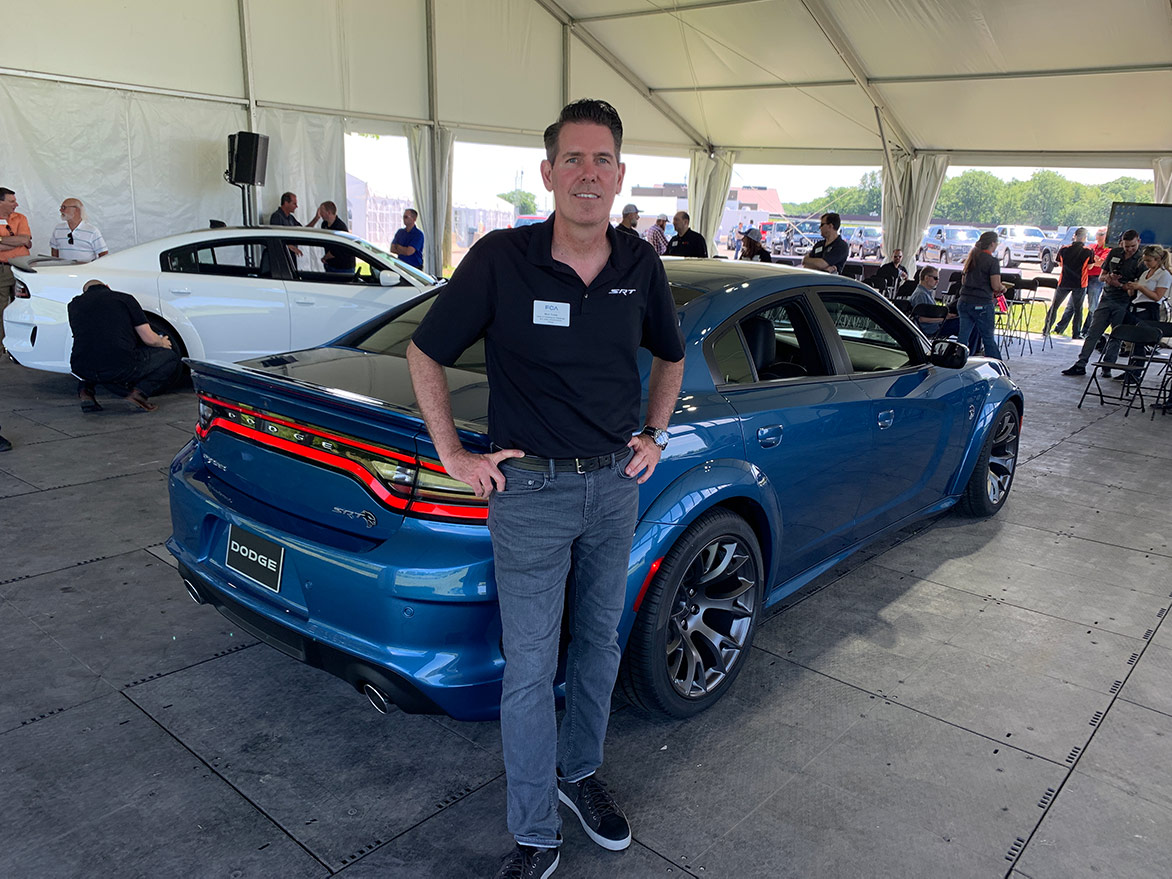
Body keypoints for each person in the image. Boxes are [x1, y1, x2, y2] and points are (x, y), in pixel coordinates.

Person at [406, 98, 685, 879]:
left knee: (598, 642)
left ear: (621, 173)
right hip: (528, 494)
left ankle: (578, 774)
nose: (588, 174)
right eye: (574, 159)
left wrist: (655, 434)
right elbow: (424, 351)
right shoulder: (502, 258)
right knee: (528, 666)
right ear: (549, 172)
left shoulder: (640, 264)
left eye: (602, 161)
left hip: (614, 485)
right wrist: (455, 453)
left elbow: (670, 355)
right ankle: (534, 830)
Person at [68, 280, 181, 411]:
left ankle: (85, 393)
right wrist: (162, 342)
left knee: (91, 351)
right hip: (120, 366)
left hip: (81, 367)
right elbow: (149, 339)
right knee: (171, 357)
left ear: (85, 293)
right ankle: (139, 393)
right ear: (107, 287)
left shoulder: (74, 305)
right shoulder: (124, 299)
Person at [1062, 230, 1144, 377]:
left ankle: (1107, 366)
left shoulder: (1141, 259)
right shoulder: (1114, 253)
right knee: (1093, 333)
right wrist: (1109, 277)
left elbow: (1139, 285)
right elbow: (1101, 275)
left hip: (1124, 301)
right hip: (1107, 298)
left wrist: (1121, 284)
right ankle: (1081, 364)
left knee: (1116, 335)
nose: (1130, 249)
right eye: (1126, 246)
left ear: (1138, 241)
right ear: (1121, 243)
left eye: (1132, 246)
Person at [957, 230, 1005, 360]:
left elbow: (963, 280)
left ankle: (958, 360)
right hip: (982, 303)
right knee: (988, 338)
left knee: (963, 336)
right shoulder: (992, 261)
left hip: (964, 301)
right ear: (992, 244)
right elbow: (995, 285)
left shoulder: (971, 258)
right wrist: (1003, 288)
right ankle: (997, 365)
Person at [1045, 227, 1093, 339]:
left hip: (1064, 282)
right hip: (1080, 283)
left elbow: (1060, 263)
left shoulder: (1064, 249)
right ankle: (1076, 333)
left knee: (1055, 306)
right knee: (1078, 309)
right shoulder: (1088, 251)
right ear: (1085, 238)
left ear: (1074, 236)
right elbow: (1090, 266)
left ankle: (1046, 329)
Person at [0, 187, 32, 355]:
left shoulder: (20, 218)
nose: (16, 204)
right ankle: (2, 350)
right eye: (12, 201)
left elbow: (25, 239)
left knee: (25, 308)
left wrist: (1, 240)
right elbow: (20, 241)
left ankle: (23, 348)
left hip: (22, 268)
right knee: (2, 310)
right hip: (2, 270)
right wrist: (16, 242)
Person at [307, 201, 355, 273]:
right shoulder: (324, 225)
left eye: (321, 212)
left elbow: (337, 250)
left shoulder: (340, 227)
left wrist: (325, 257)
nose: (320, 214)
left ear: (328, 212)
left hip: (343, 267)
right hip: (331, 264)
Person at [1082, 227, 1110, 336]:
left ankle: (1088, 330)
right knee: (1073, 304)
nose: (1098, 236)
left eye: (1101, 234)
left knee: (1093, 306)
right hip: (1085, 277)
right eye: (1097, 233)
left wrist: (1094, 260)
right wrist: (1095, 260)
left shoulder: (1108, 250)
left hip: (1096, 279)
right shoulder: (1091, 247)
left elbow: (1101, 263)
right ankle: (1060, 328)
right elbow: (1086, 260)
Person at [269, 192, 303, 262]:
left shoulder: (291, 218)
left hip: (291, 256)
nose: (296, 206)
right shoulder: (276, 217)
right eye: (294, 204)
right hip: (282, 259)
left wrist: (316, 218)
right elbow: (276, 238)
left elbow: (303, 230)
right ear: (286, 203)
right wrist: (289, 246)